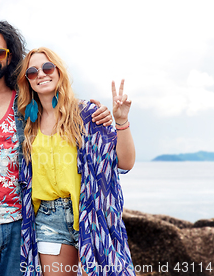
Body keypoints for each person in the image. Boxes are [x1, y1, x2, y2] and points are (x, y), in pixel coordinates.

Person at [0, 21, 114, 276]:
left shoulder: (25, 103)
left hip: (21, 224)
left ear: (11, 57)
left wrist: (100, 114)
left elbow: (61, 111)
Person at [17, 47, 136, 276]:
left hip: (91, 215)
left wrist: (121, 121)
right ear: (28, 81)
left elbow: (125, 162)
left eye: (47, 67)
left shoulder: (87, 115)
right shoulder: (26, 124)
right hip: (48, 221)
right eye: (32, 72)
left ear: (59, 72)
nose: (41, 74)